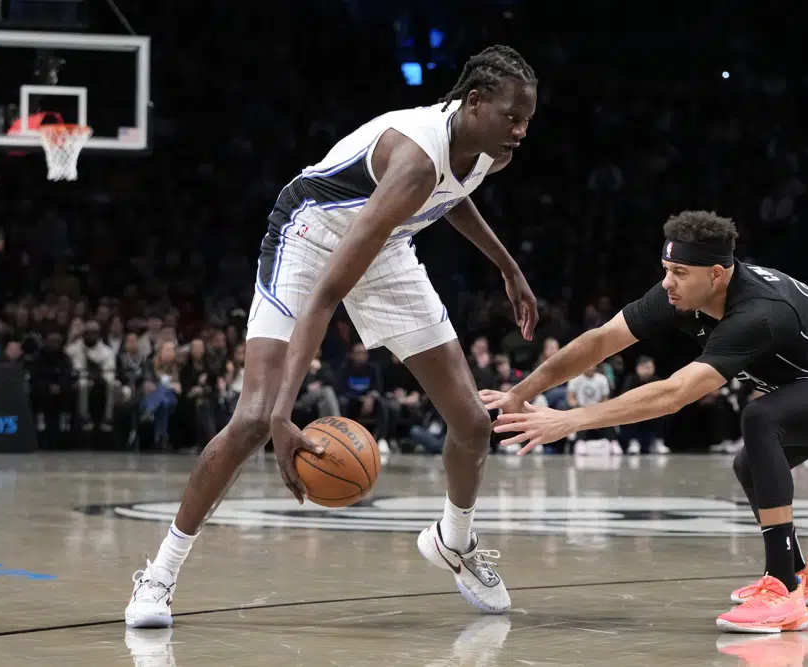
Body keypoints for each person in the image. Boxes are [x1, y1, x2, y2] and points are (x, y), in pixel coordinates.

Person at [125, 45, 539, 627]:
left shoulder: (489, 152)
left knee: (471, 421)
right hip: (309, 234)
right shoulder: (416, 159)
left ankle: (455, 540)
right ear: (473, 103)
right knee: (251, 418)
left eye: (527, 120)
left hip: (386, 245)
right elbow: (324, 294)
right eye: (511, 118)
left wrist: (508, 267)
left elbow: (453, 196)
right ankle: (160, 574)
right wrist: (282, 416)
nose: (521, 131)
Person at [482, 210, 808, 633]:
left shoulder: (757, 312)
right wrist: (522, 391)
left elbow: (674, 394)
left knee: (761, 419)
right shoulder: (678, 295)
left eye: (679, 272)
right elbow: (599, 342)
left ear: (718, 275)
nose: (667, 282)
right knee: (750, 463)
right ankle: (797, 576)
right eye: (666, 269)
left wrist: (570, 420)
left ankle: (781, 591)